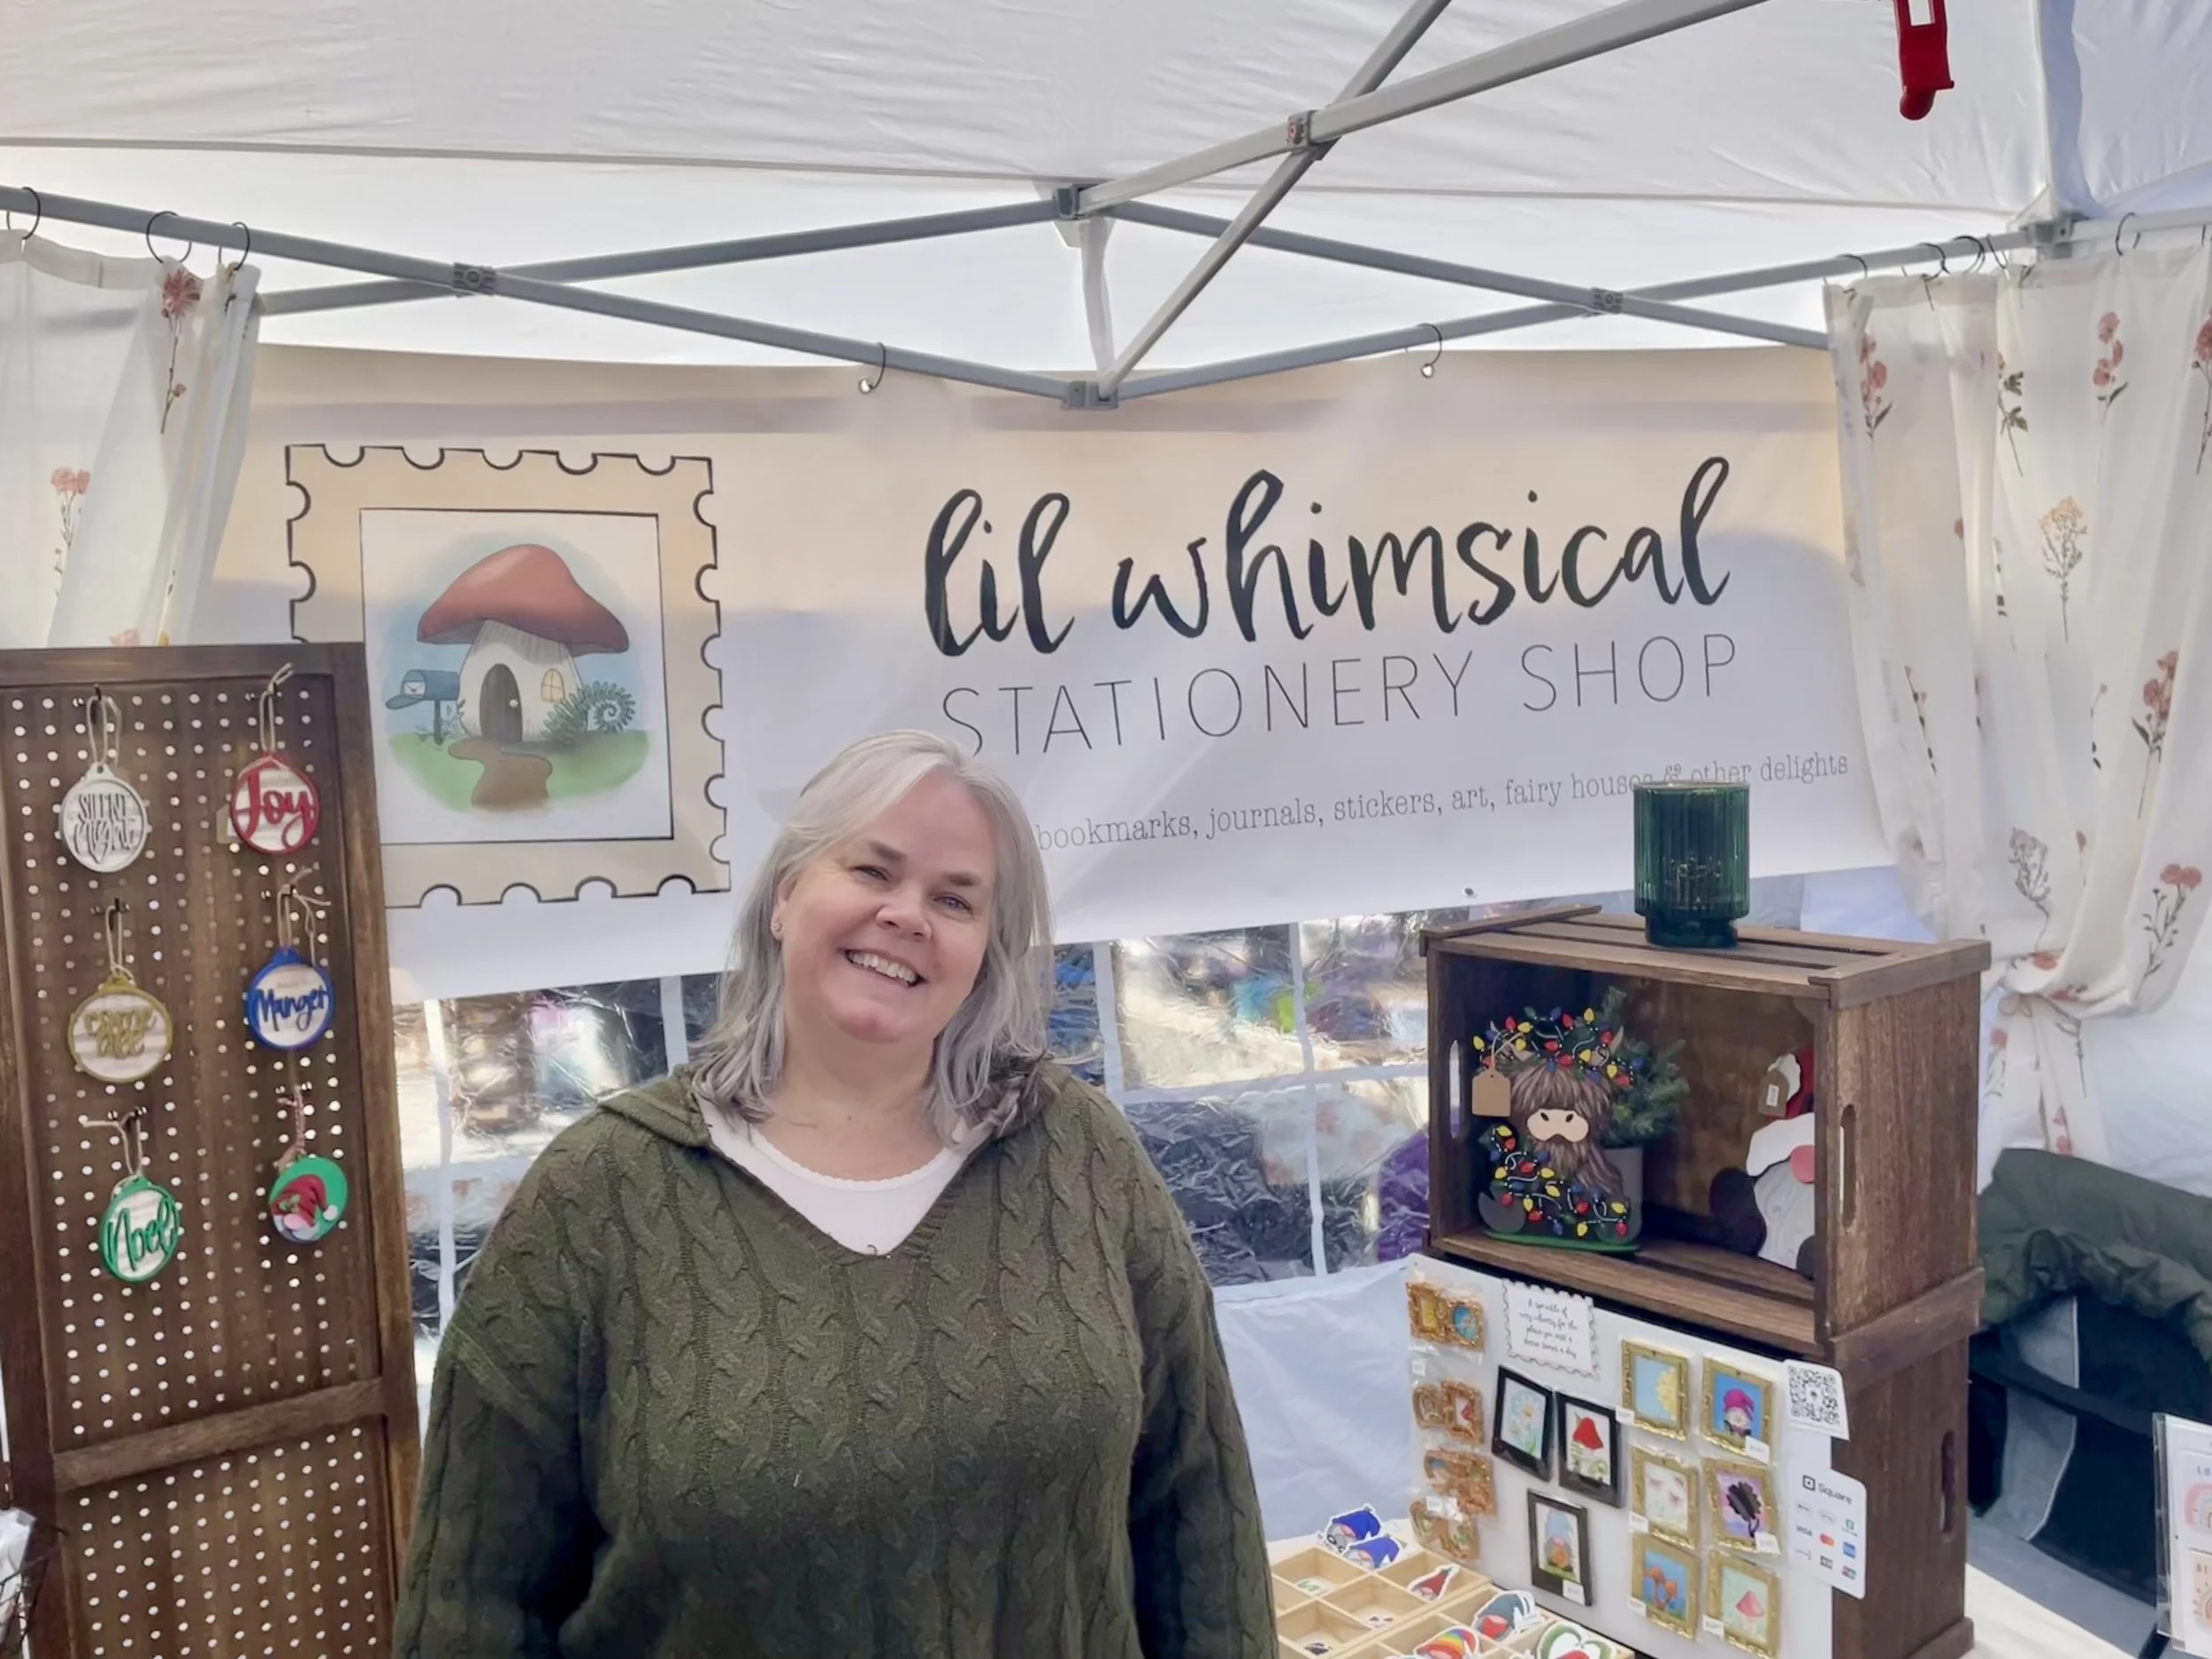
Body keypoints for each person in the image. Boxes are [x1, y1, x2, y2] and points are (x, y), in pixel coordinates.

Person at [395, 731, 1274, 1657]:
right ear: (784, 898)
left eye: (955, 899)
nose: (907, 915)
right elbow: (473, 1606)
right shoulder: (598, 1200)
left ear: (986, 950)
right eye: (872, 870)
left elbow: (1198, 1511)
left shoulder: (1079, 1157)